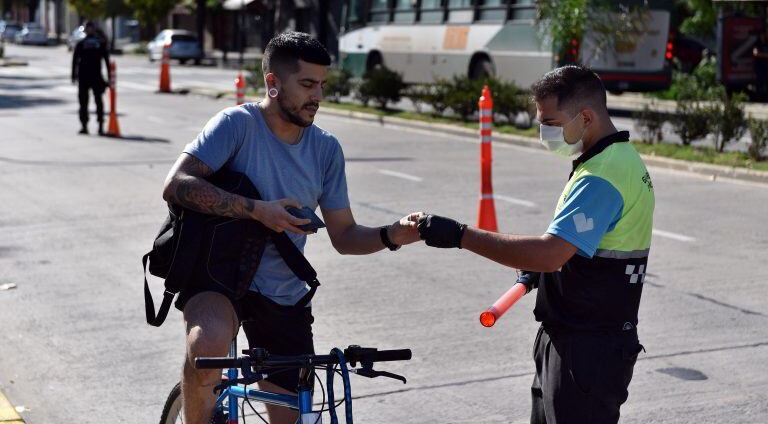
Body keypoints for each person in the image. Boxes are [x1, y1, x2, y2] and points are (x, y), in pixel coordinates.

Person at [162, 31, 422, 424]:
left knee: (292, 414)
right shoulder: (236, 125)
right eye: (306, 84)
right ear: (273, 83)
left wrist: (392, 235)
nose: (317, 95)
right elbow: (177, 185)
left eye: (322, 85)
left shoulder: (325, 149)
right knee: (207, 347)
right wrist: (255, 210)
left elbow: (346, 236)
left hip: (283, 292)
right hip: (218, 275)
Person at [418, 65, 655, 424]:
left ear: (586, 117)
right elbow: (575, 249)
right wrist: (554, 268)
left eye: (551, 123)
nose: (544, 132)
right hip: (575, 336)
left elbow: (550, 253)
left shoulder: (601, 176)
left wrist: (460, 235)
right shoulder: (615, 157)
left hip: (587, 348)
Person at [71, 21, 110, 135]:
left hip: (90, 77)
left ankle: (96, 125)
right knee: (90, 102)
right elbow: (75, 61)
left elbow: (106, 61)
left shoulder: (84, 44)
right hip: (89, 77)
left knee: (91, 102)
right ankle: (89, 126)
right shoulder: (96, 43)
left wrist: (73, 76)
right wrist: (73, 75)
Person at [752, 29, 768, 99]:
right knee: (759, 82)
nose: (763, 36)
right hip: (759, 67)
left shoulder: (767, 43)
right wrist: (765, 55)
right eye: (762, 35)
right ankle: (758, 97)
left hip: (766, 66)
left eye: (764, 35)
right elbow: (755, 53)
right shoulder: (757, 43)